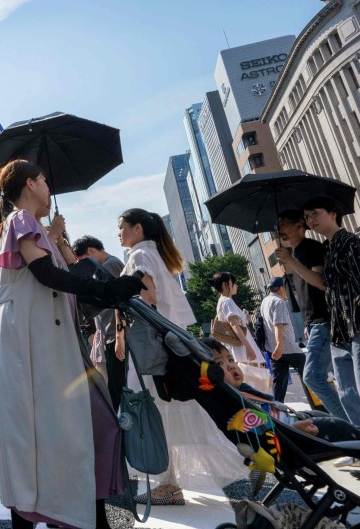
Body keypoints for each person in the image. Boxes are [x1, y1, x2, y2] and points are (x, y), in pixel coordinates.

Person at [0, 161, 143, 528]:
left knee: (76, 427)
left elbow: (66, 278)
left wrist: (57, 238)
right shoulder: (21, 220)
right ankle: (76, 514)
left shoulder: (34, 228)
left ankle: (81, 511)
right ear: (30, 183)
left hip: (51, 342)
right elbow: (47, 276)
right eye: (43, 179)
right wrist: (107, 289)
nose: (47, 186)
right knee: (53, 431)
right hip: (35, 343)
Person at [119, 208, 243, 504]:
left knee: (155, 411)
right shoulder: (155, 254)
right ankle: (170, 480)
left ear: (137, 229)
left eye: (121, 227)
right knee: (168, 410)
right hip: (168, 345)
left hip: (150, 347)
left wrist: (122, 308)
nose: (119, 233)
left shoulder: (138, 256)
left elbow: (147, 297)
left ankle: (168, 482)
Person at [204, 338, 360, 484]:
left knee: (331, 420)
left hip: (291, 425)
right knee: (338, 427)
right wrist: (294, 430)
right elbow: (256, 436)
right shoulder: (231, 404)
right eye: (220, 363)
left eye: (230, 359)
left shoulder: (240, 391)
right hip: (290, 436)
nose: (230, 365)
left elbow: (270, 403)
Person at [300, 197, 360, 434]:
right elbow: (325, 286)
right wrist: (291, 261)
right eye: (307, 216)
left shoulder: (350, 242)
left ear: (333, 213)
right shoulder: (329, 248)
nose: (310, 220)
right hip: (339, 330)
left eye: (315, 213)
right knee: (350, 396)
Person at [273, 209, 347, 420]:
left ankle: (349, 426)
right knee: (342, 380)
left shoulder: (311, 248)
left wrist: (293, 262)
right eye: (277, 226)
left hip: (325, 322)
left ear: (299, 225)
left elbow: (323, 283)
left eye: (283, 223)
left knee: (313, 377)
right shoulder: (296, 254)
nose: (279, 230)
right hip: (316, 324)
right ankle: (359, 426)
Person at [72, 236, 126, 410]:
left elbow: (121, 302)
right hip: (110, 334)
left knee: (117, 389)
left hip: (115, 335)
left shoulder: (109, 266)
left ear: (91, 251)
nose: (84, 267)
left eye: (83, 261)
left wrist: (119, 336)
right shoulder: (110, 264)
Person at [261, 277, 312, 405]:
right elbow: (278, 324)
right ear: (280, 288)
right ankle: (317, 401)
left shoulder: (265, 301)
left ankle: (277, 407)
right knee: (309, 371)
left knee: (279, 381)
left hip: (272, 348)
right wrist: (280, 345)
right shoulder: (279, 302)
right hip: (286, 347)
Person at [211, 271, 261, 365]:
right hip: (239, 348)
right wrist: (248, 347)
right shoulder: (227, 301)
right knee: (254, 377)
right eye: (233, 283)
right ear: (225, 285)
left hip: (235, 346)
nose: (236, 285)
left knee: (251, 377)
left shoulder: (222, 301)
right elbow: (234, 325)